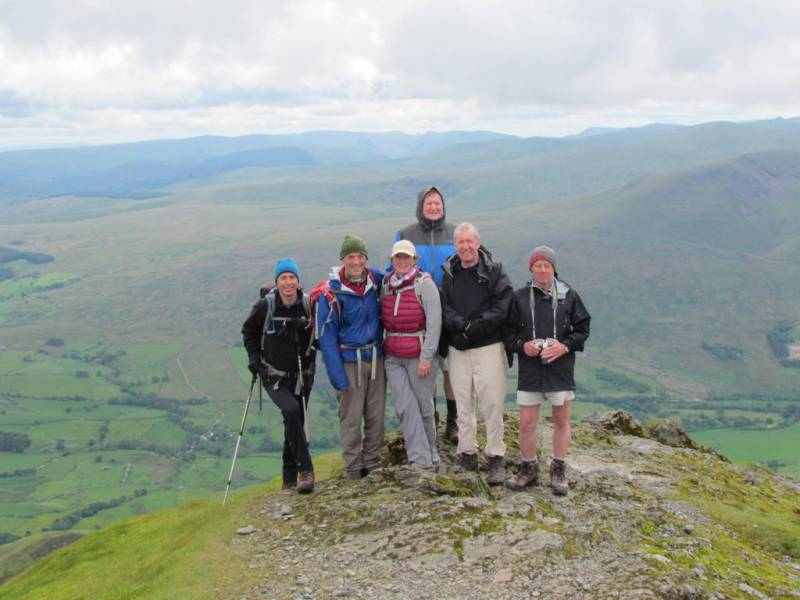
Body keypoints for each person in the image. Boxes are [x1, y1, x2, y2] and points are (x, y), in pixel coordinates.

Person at [504, 245, 590, 496]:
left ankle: (558, 469)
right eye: (537, 265)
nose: (542, 270)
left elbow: (582, 329)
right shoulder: (519, 297)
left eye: (546, 265)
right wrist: (523, 346)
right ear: (531, 268)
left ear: (554, 268)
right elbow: (507, 332)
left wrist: (564, 347)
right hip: (530, 369)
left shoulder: (569, 295)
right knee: (526, 423)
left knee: (561, 421)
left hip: (560, 368)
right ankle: (528, 468)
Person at [440, 222, 513, 485]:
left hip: (488, 346)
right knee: (462, 402)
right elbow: (444, 307)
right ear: (455, 245)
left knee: (492, 403)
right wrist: (461, 327)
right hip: (458, 347)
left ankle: (495, 456)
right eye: (461, 242)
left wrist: (473, 328)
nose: (466, 246)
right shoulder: (449, 272)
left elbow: (502, 306)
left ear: (478, 243)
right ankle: (467, 452)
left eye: (470, 241)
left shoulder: (494, 270)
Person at [242, 257, 316, 493]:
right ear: (277, 281)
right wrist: (254, 359)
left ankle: (288, 480)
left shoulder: (307, 304)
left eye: (292, 277)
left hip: (302, 375)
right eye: (283, 277)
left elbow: (318, 335)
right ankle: (306, 471)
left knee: (294, 421)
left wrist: (304, 329)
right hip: (273, 375)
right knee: (292, 412)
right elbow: (248, 331)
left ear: (298, 281)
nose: (288, 282)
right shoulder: (265, 306)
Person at [317, 234, 386, 479]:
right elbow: (326, 339)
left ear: (366, 258)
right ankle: (354, 468)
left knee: (376, 415)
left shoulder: (376, 281)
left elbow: (399, 272)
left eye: (360, 256)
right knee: (351, 418)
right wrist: (338, 378)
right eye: (350, 256)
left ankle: (373, 462)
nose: (356, 261)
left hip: (376, 357)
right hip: (348, 362)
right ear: (342, 259)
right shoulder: (330, 294)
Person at [394, 186, 458, 443]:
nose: (433, 207)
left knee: (450, 368)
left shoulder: (455, 233)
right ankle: (431, 417)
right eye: (429, 203)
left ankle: (453, 421)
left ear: (443, 206)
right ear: (421, 206)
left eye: (437, 203)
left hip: (451, 310)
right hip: (417, 312)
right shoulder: (406, 234)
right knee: (426, 367)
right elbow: (394, 268)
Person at [382, 240, 442, 469]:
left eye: (406, 257)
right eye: (398, 257)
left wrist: (427, 357)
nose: (402, 261)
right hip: (393, 357)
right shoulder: (386, 284)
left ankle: (432, 451)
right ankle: (420, 459)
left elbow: (434, 325)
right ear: (392, 260)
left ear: (414, 260)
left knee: (424, 406)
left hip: (419, 356)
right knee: (405, 407)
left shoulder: (424, 284)